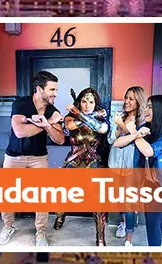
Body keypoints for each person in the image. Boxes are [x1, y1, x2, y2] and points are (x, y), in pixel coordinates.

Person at [0, 70, 65, 247]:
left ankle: (41, 232)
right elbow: (20, 132)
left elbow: (60, 139)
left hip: (39, 157)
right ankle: (7, 227)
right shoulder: (21, 104)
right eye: (52, 90)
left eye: (56, 90)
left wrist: (47, 123)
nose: (55, 94)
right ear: (39, 89)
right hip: (14, 156)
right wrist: (48, 123)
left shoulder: (52, 109)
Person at [118, 94, 162, 247]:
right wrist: (133, 132)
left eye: (150, 107)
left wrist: (134, 132)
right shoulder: (147, 129)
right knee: (153, 218)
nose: (145, 110)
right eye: (146, 106)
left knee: (153, 220)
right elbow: (119, 143)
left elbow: (149, 151)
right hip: (150, 183)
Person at [53, 87, 110, 245]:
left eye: (91, 102)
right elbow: (71, 127)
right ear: (79, 102)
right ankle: (60, 216)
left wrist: (81, 113)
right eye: (84, 101)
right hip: (73, 160)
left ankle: (100, 237)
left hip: (93, 162)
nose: (87, 104)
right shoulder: (69, 118)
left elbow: (100, 129)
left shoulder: (101, 120)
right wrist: (88, 115)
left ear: (95, 103)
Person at [109, 85, 147, 247]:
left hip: (132, 166)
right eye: (126, 97)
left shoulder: (144, 120)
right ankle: (124, 223)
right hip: (115, 163)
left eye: (131, 98)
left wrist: (123, 126)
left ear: (139, 101)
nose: (126, 101)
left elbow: (137, 143)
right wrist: (118, 127)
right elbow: (112, 141)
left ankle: (129, 240)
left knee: (129, 201)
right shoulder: (119, 116)